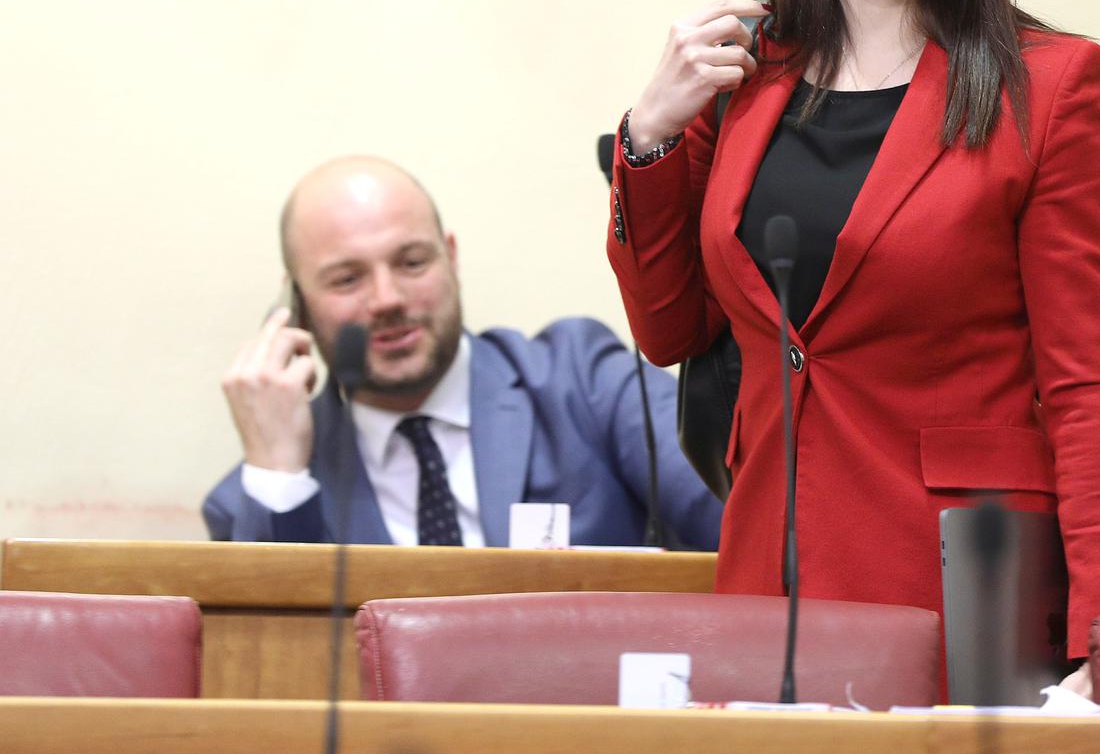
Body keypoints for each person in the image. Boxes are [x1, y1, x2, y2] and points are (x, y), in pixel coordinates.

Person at [605, 0, 1100, 691]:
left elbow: (1085, 390)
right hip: (767, 572)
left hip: (960, 581)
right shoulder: (741, 76)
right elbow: (668, 330)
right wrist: (648, 134)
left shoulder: (1051, 86)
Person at [204, 155, 723, 550]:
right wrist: (277, 472)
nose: (387, 299)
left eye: (411, 262)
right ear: (298, 302)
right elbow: (277, 653)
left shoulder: (583, 382)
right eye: (346, 279)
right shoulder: (259, 495)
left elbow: (742, 526)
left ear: (449, 258)